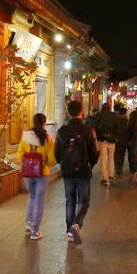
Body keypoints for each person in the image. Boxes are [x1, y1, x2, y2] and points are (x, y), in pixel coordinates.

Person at [54, 100, 100, 245]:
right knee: (84, 201)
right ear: (82, 112)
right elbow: (95, 153)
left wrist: (64, 164)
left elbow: (57, 153)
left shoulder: (62, 130)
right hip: (83, 171)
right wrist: (89, 165)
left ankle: (70, 233)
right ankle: (77, 224)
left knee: (70, 201)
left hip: (67, 171)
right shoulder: (88, 130)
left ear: (68, 113)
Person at [16, 113, 56, 240]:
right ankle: (35, 231)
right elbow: (51, 159)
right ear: (44, 123)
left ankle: (28, 224)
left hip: (28, 173)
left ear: (33, 122)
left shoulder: (25, 136)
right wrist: (46, 164)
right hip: (42, 173)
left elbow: (19, 155)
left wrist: (28, 162)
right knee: (39, 201)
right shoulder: (48, 138)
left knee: (31, 196)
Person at [95, 102, 119, 185]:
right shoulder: (114, 116)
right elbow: (118, 128)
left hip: (102, 140)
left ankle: (104, 178)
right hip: (112, 140)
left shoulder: (98, 115)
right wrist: (115, 137)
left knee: (102, 158)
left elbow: (95, 127)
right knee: (111, 158)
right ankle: (111, 176)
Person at [114, 106, 129, 176]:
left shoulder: (115, 119)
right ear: (125, 113)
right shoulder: (127, 121)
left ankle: (117, 168)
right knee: (122, 155)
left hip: (117, 139)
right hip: (124, 140)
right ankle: (120, 169)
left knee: (117, 154)